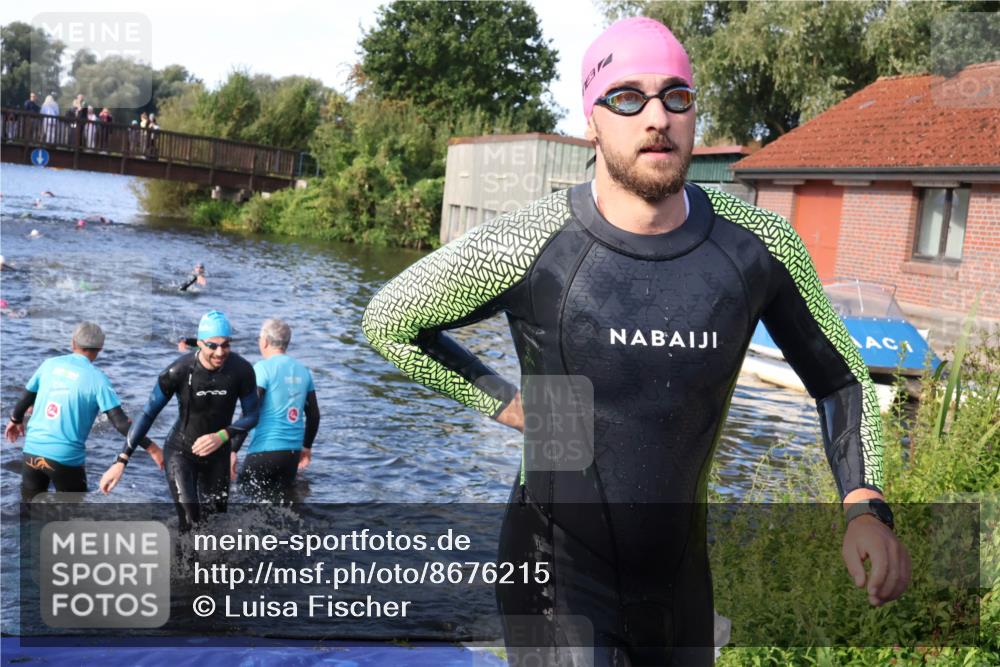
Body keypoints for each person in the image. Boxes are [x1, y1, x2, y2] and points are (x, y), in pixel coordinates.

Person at [362, 16, 910, 665]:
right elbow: (388, 321)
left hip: (680, 581)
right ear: (591, 120)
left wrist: (864, 506)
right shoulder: (532, 242)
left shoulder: (755, 245)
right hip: (554, 571)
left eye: (676, 96)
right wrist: (509, 403)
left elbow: (842, 377)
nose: (657, 116)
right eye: (628, 97)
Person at [100, 311, 259, 532]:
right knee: (191, 521)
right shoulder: (178, 371)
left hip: (218, 454)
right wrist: (121, 460)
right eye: (213, 345)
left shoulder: (242, 370)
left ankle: (212, 566)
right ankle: (182, 566)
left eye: (226, 345)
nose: (220, 352)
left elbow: (253, 415)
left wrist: (222, 436)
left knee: (215, 523)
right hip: (181, 452)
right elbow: (147, 414)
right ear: (200, 343)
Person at [5, 322, 162, 501]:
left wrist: (15, 419)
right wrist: (152, 448)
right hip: (65, 458)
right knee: (73, 518)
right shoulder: (98, 379)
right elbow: (120, 423)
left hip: (32, 451)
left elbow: (27, 396)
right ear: (100, 348)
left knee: (29, 511)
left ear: (73, 343)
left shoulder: (49, 364)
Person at [231, 319, 319, 503]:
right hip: (292, 456)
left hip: (264, 452)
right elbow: (314, 415)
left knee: (243, 502)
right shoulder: (303, 371)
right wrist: (307, 447)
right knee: (285, 507)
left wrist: (233, 450)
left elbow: (250, 411)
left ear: (264, 342)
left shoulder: (262, 369)